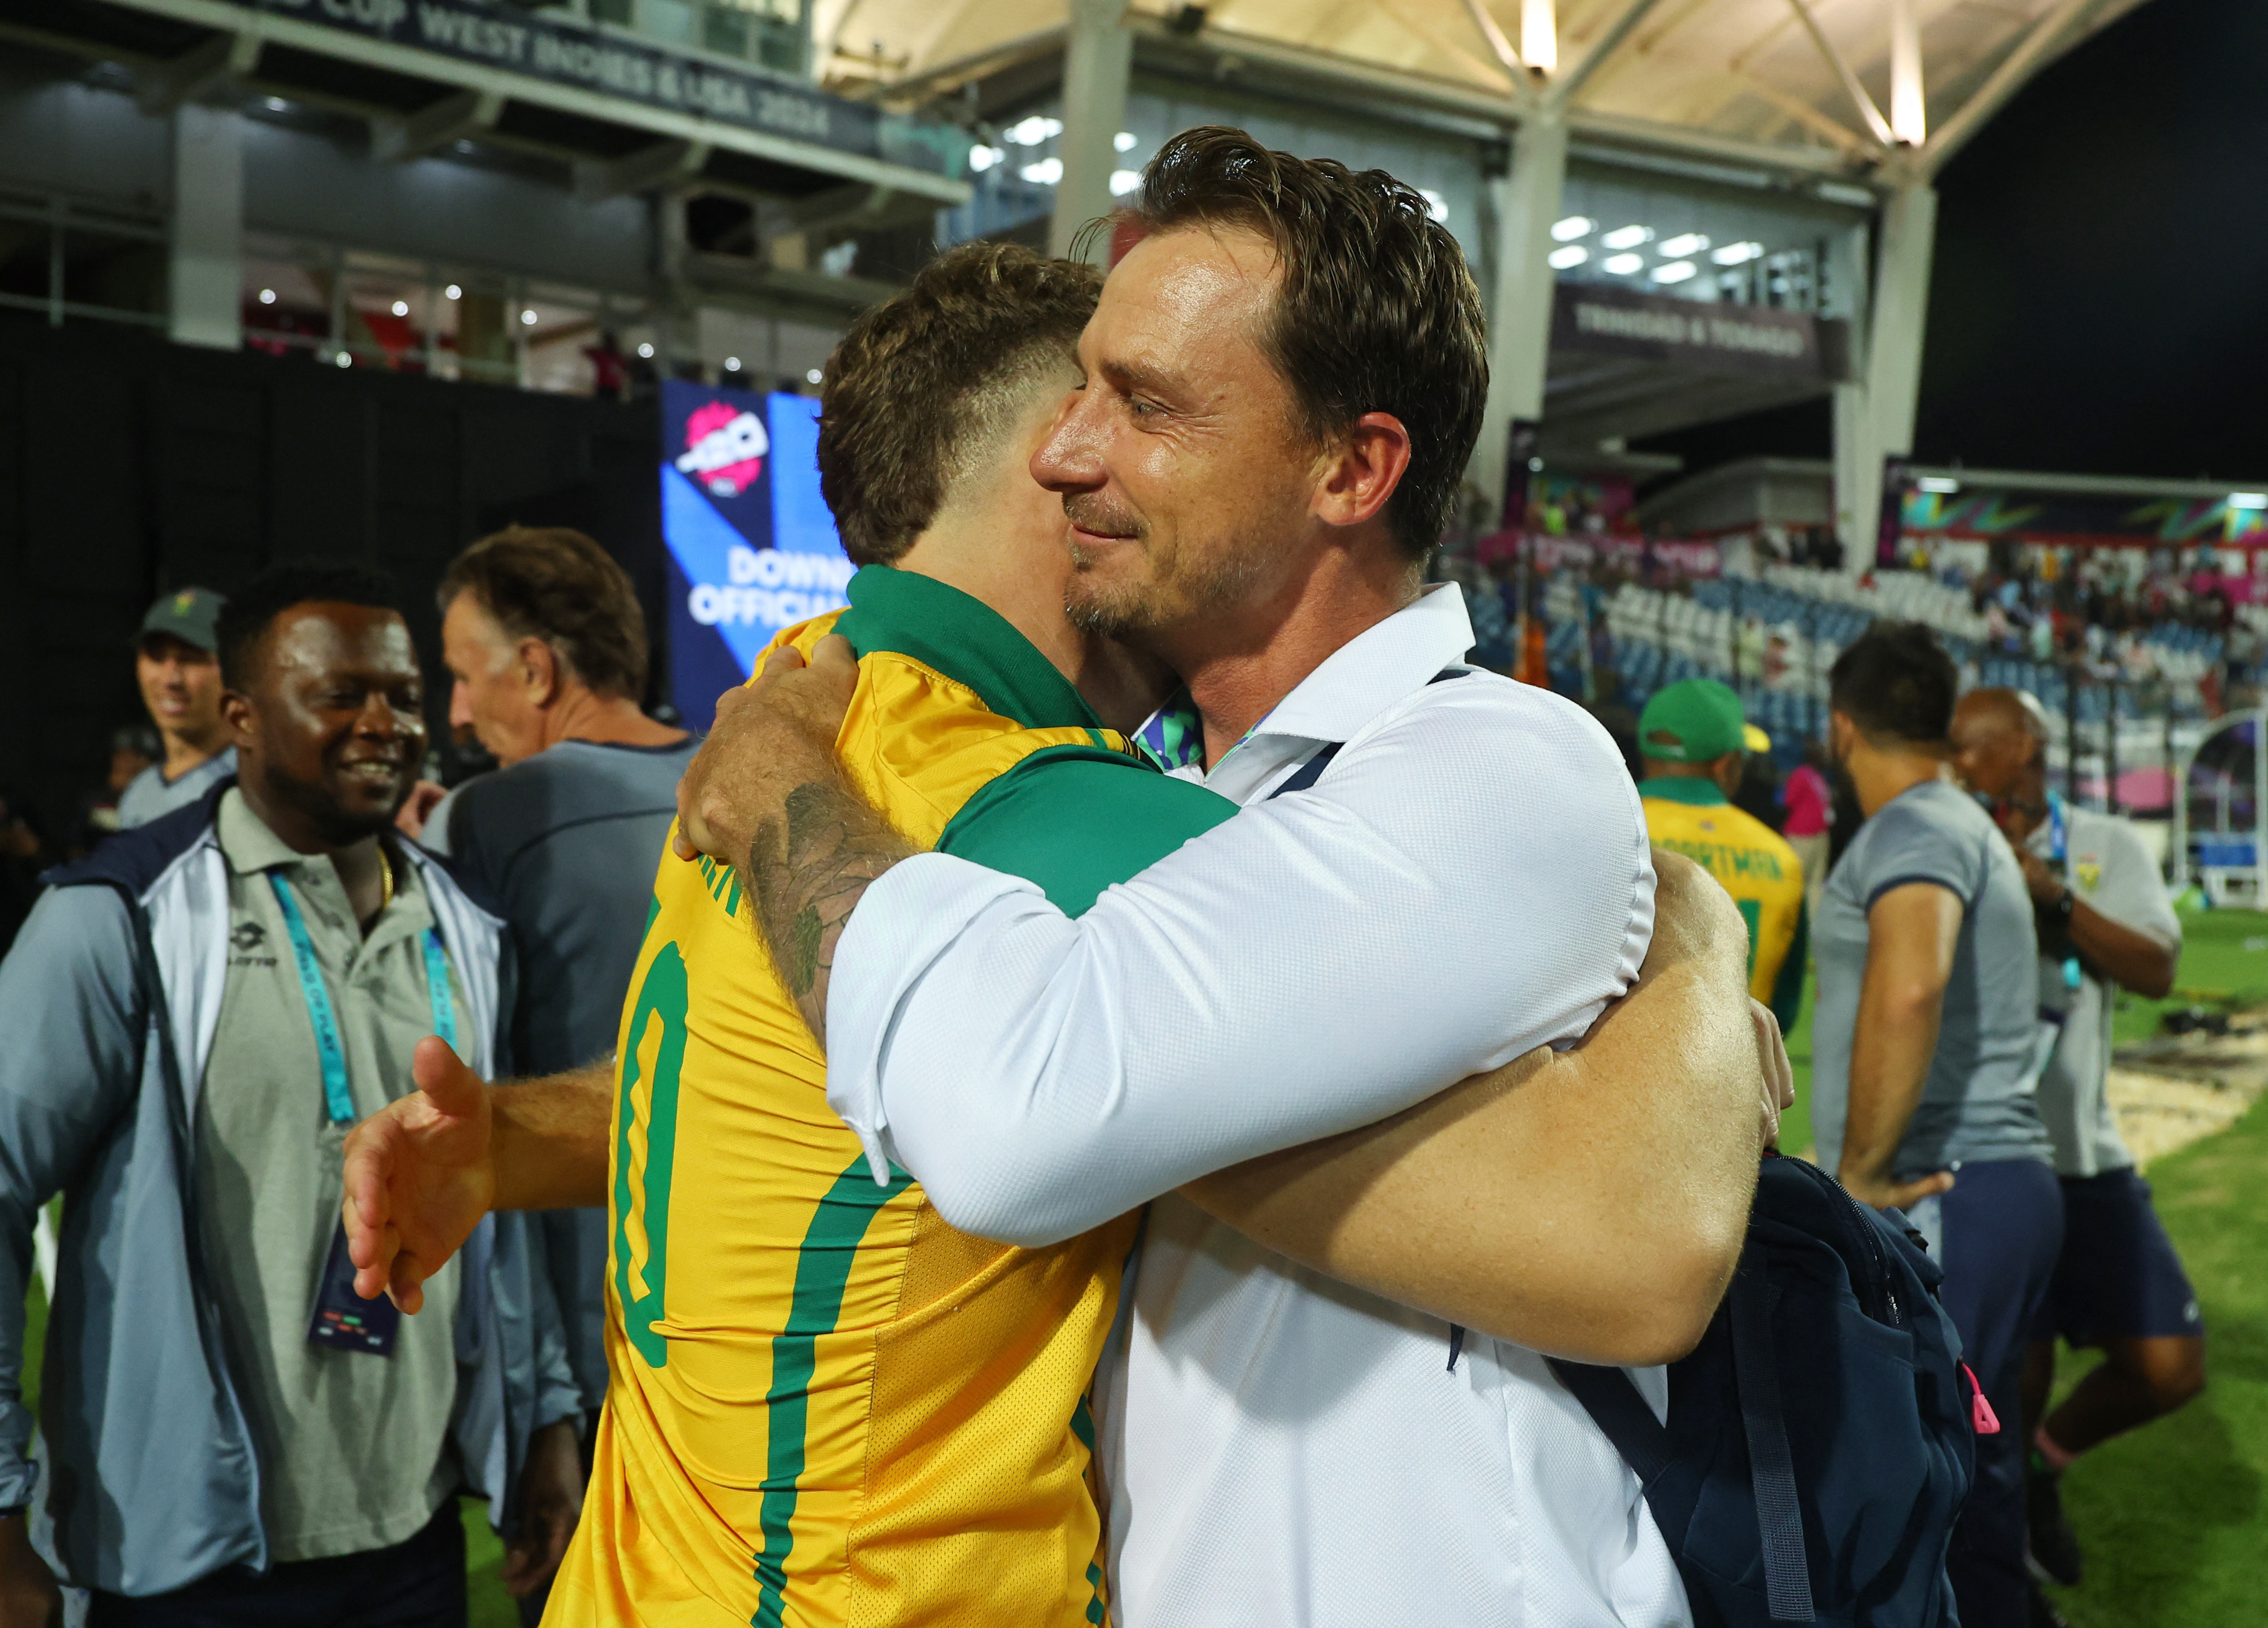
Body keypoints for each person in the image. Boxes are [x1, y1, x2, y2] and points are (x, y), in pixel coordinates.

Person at [344, 214, 1775, 1628]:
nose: (1083, 450)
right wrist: (1702, 958)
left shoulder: (805, 711)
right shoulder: (1045, 815)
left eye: (1141, 406)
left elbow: (812, 1101)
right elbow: (1623, 1241)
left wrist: (522, 1139)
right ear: (1042, 496)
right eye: (1084, 401)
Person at [0, 565, 582, 1627]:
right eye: (339, 695)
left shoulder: (470, 927)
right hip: (186, 1562)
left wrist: (543, 1417)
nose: (386, 724)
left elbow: (505, 1201)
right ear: (243, 719)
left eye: (404, 696)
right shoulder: (118, 918)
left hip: (415, 1535)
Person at [421, 527, 695, 1467]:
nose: (454, 714)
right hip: (763, 1322)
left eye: (464, 675)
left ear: (535, 670)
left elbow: (464, 1100)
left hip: (595, 1364)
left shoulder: (493, 820)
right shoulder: (740, 785)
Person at [1809, 623, 2061, 1628]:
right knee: (1965, 1472)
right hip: (1988, 1179)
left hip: (1942, 1180)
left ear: (1840, 728)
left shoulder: (1915, 826)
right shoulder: (1953, 818)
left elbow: (1910, 986)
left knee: (1926, 1479)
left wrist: (1861, 1173)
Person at [1949, 688, 2202, 1596]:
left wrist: (2053, 897)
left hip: (2083, 1156)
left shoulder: (2102, 845)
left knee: (2169, 1367)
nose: (1953, 765)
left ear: (2019, 748)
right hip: (1986, 1158)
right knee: (2008, 1379)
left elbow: (2155, 966)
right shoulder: (1951, 843)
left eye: (1966, 749)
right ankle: (2002, 1556)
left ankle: (2045, 1471)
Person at [1635, 678, 1808, 1036]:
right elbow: (1785, 1010)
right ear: (1725, 764)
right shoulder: (1780, 857)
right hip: (1738, 1076)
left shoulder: (1602, 822)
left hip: (1615, 1073)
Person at [116, 586, 237, 829]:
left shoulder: (259, 788)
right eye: (157, 658)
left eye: (191, 658)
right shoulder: (140, 793)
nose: (170, 679)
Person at [1782, 739, 1834, 920]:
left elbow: (1788, 800)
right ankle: (1802, 925)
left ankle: (1801, 926)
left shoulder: (1808, 775)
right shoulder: (1812, 776)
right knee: (1807, 884)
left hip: (1808, 835)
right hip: (1812, 834)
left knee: (1803, 883)